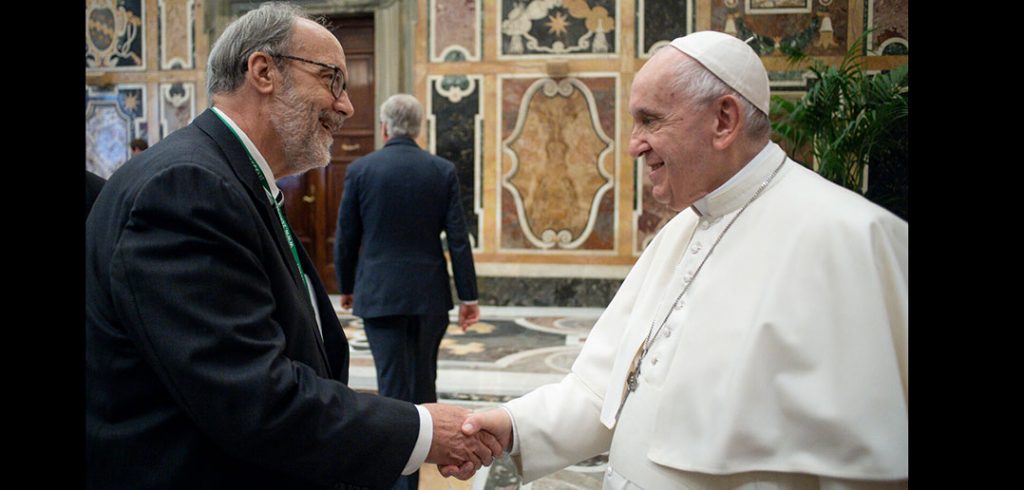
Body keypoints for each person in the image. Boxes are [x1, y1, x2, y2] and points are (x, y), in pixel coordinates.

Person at [446, 31, 908, 489]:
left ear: (724, 120)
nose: (632, 145)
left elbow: (862, 471)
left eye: (650, 120)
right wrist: (512, 425)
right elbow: (603, 390)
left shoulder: (851, 239)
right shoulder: (682, 231)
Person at [85, 3, 501, 489]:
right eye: (332, 80)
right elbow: (251, 398)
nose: (346, 106)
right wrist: (423, 430)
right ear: (263, 71)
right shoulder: (187, 187)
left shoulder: (229, 177)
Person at [335, 93, 480, 490]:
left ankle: (403, 481)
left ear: (384, 127)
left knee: (394, 390)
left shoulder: (362, 169)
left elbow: (347, 236)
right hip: (430, 295)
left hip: (379, 294)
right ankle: (415, 472)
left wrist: (346, 286)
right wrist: (468, 296)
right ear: (418, 128)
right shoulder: (441, 170)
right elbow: (458, 238)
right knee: (423, 383)